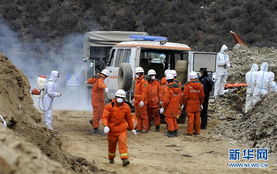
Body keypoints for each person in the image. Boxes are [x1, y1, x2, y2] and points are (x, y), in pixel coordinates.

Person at [102, 89, 136, 166]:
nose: (120, 99)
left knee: (123, 143)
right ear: (116, 97)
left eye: (122, 97)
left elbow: (129, 119)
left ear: (124, 99)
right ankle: (111, 158)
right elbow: (104, 117)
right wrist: (105, 125)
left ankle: (124, 159)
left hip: (122, 130)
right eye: (118, 97)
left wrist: (132, 128)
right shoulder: (109, 106)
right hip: (112, 130)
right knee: (112, 146)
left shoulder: (126, 107)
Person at [87, 69, 109, 134]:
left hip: (98, 99)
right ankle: (95, 128)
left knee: (100, 112)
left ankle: (93, 121)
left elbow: (89, 81)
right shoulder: (100, 79)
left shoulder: (97, 78)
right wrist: (105, 87)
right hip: (97, 100)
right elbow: (100, 85)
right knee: (97, 114)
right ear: (105, 75)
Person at [183, 71, 204, 136]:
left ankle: (190, 132)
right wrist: (201, 103)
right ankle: (197, 131)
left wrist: (184, 103)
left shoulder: (187, 86)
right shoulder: (200, 86)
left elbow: (185, 96)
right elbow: (202, 96)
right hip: (197, 104)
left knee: (190, 119)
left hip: (190, 104)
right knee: (197, 118)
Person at [134, 67, 149, 133]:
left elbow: (144, 92)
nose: (136, 75)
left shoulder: (144, 81)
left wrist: (142, 100)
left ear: (140, 74)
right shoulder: (137, 81)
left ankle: (145, 128)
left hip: (141, 101)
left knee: (143, 115)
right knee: (138, 115)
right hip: (136, 100)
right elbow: (136, 91)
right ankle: (139, 127)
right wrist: (134, 99)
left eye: (137, 73)